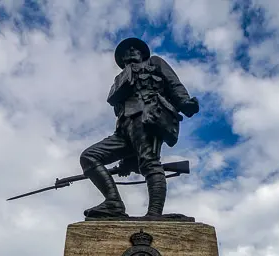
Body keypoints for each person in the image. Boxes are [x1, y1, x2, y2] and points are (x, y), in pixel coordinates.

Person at [80, 37, 199, 219]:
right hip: (123, 128)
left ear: (142, 53)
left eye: (135, 48)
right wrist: (128, 161)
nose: (131, 50)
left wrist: (185, 103)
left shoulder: (155, 63)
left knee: (149, 162)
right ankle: (113, 203)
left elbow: (174, 84)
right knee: (89, 157)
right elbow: (113, 100)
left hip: (148, 115)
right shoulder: (119, 78)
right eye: (126, 50)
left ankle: (154, 214)